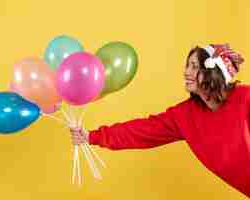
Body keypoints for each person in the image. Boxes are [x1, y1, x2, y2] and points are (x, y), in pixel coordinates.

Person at [70, 44, 250, 197]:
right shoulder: (185, 115)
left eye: (194, 66)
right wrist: (92, 137)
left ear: (213, 71)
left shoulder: (245, 98)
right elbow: (142, 131)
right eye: (187, 65)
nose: (186, 72)